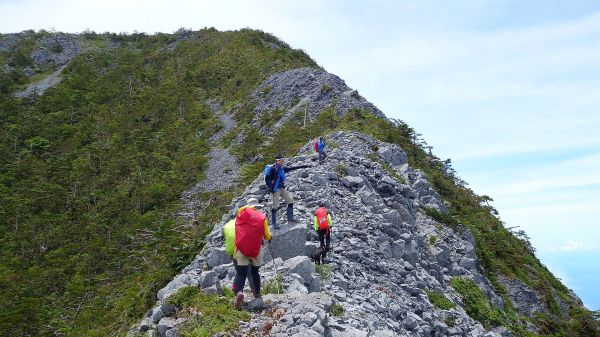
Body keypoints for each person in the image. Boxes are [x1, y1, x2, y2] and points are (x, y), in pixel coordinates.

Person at [231, 198, 272, 309]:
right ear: (256, 207)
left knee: (241, 273)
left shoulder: (239, 215)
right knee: (255, 272)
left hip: (241, 248)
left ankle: (239, 292)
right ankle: (257, 294)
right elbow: (267, 235)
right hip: (256, 249)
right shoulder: (261, 217)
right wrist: (269, 237)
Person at [264, 155, 310, 229]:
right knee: (275, 205)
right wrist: (269, 187)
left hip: (282, 188)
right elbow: (267, 178)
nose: (282, 162)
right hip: (275, 189)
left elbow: (292, 168)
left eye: (282, 160)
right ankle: (274, 223)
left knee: (290, 201)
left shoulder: (282, 168)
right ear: (277, 161)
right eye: (281, 160)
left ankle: (290, 218)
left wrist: (304, 166)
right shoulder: (272, 169)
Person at [223, 219, 255, 295]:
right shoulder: (247, 223)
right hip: (244, 251)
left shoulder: (229, 224)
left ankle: (237, 290)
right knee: (250, 272)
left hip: (233, 252)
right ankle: (255, 291)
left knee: (240, 272)